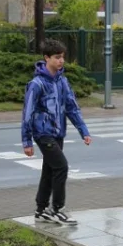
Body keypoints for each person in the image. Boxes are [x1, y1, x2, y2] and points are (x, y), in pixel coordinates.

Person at [21, 39, 92, 225]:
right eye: (57, 57)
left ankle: (41, 209)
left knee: (49, 170)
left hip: (58, 132)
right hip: (43, 133)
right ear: (47, 58)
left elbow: (72, 107)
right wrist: (26, 141)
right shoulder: (37, 84)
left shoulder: (62, 81)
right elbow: (27, 113)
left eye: (63, 57)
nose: (61, 61)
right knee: (61, 166)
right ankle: (57, 209)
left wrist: (83, 130)